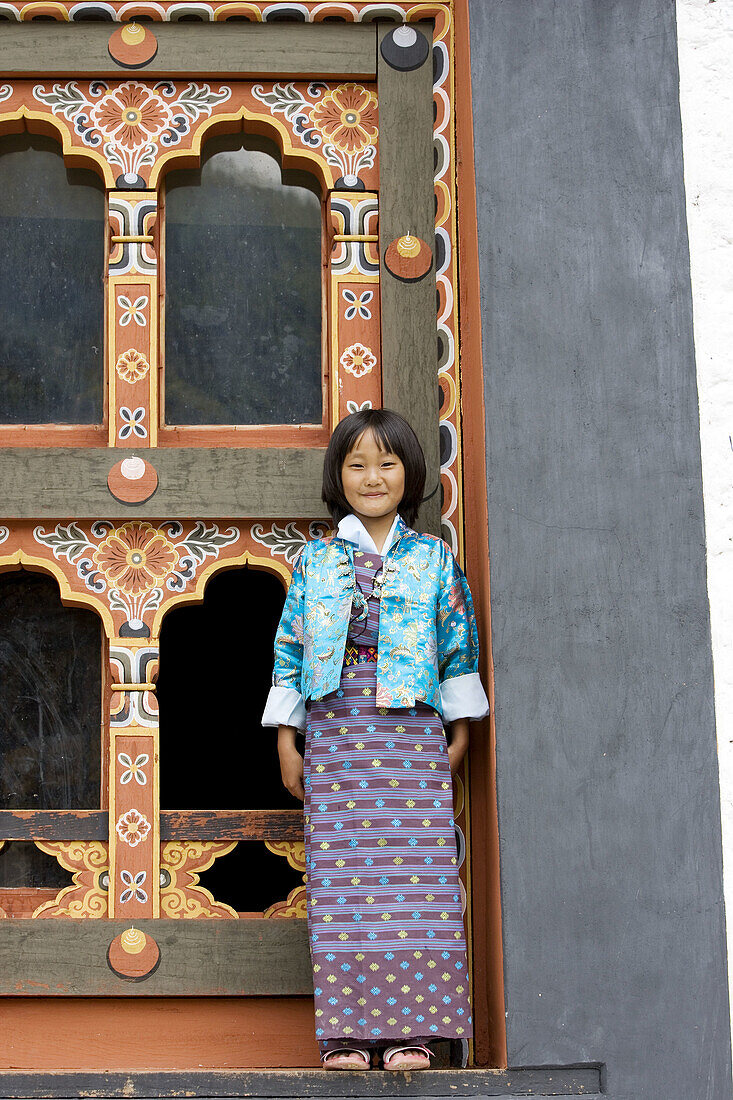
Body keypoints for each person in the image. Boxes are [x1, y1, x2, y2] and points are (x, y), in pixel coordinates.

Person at [262, 408, 489, 1071]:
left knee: (414, 885)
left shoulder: (432, 560)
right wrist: (286, 739)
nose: (371, 476)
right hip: (336, 733)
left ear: (409, 474)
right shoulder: (316, 559)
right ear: (337, 475)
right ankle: (347, 1036)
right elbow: (289, 651)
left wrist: (460, 732)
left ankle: (412, 1033)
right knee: (344, 883)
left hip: (411, 735)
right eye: (356, 464)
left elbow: (456, 648)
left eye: (386, 464)